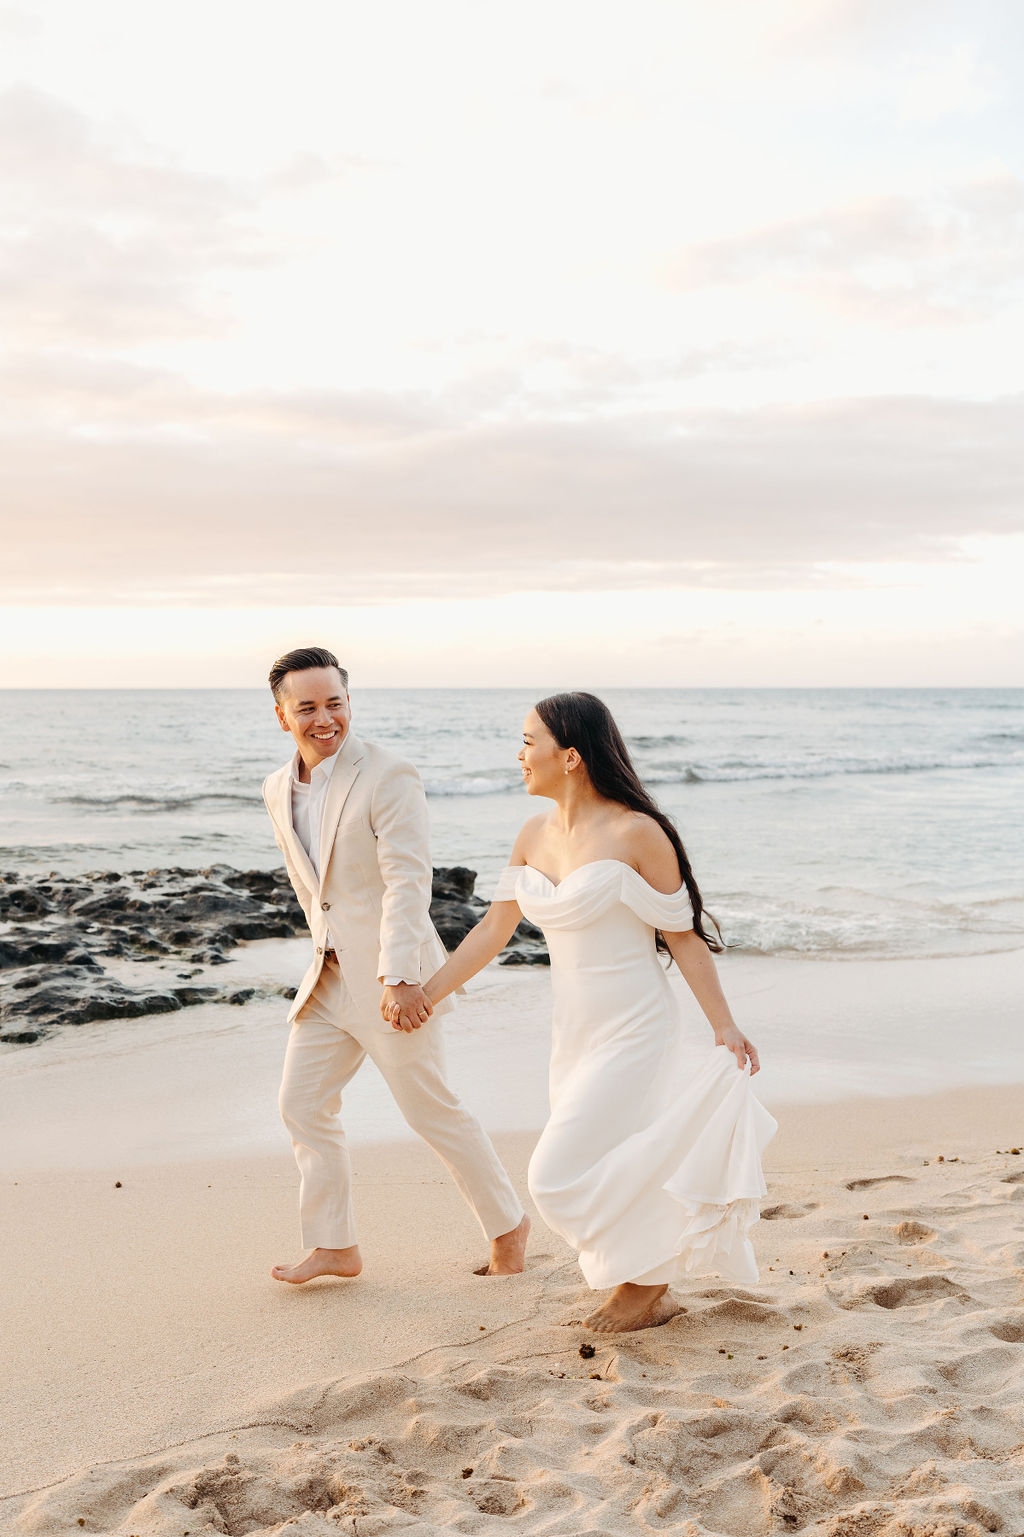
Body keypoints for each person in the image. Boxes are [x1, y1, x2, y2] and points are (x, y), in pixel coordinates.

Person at [417, 691, 776, 1333]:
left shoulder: (639, 833)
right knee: (608, 1159)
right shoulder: (532, 834)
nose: (520, 754)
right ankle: (643, 1281)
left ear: (572, 757)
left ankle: (651, 1276)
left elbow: (682, 937)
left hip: (637, 1027)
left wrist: (724, 1024)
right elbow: (492, 931)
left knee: (554, 1176)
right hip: (573, 1033)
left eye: (530, 741)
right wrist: (427, 993)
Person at [262, 646, 528, 1284]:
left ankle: (508, 1228)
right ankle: (335, 1246)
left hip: (390, 977)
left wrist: (400, 977)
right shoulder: (276, 789)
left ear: (350, 703)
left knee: (429, 1108)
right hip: (327, 978)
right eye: (308, 708)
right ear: (282, 716)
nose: (325, 718)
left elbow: (408, 881)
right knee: (301, 1104)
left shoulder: (388, 774)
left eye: (335, 703)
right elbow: (317, 890)